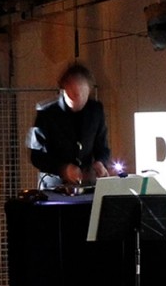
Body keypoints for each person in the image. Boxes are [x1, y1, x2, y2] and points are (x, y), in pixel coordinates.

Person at [28, 60, 113, 190]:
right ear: (63, 89)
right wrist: (64, 169)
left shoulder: (95, 111)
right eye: (72, 93)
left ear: (89, 90)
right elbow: (36, 155)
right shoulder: (47, 112)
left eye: (83, 94)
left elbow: (102, 147)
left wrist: (100, 162)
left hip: (86, 184)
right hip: (53, 185)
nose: (78, 99)